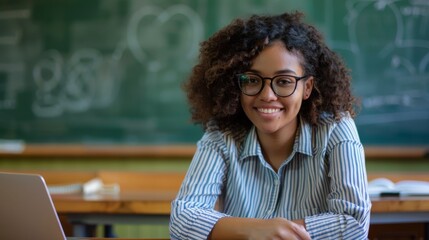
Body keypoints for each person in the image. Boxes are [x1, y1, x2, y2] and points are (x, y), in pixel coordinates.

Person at [170, 11, 371, 240]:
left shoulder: (336, 129)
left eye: (284, 82)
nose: (267, 95)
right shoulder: (222, 136)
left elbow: (354, 224)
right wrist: (258, 229)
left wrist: (271, 233)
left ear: (307, 87)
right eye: (253, 80)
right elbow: (182, 220)